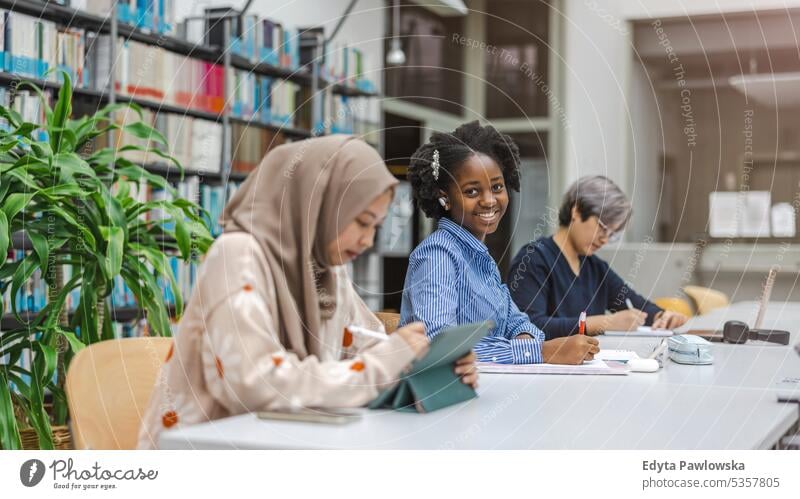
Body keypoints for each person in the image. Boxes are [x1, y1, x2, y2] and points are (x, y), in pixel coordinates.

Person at [137, 136, 478, 449]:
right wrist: (387, 361)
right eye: (360, 222)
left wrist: (429, 368)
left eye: (375, 226)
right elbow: (259, 384)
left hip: (281, 448)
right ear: (319, 203)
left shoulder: (327, 270)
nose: (368, 241)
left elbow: (370, 351)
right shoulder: (237, 255)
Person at [399, 121, 598, 365]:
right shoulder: (438, 255)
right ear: (445, 199)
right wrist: (542, 352)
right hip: (454, 400)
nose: (489, 200)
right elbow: (437, 347)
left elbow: (515, 320)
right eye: (472, 191)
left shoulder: (480, 257)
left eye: (497, 187)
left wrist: (525, 337)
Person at [507, 175, 688, 339]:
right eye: (602, 227)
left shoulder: (595, 268)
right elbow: (529, 326)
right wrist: (605, 322)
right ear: (576, 211)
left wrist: (661, 316)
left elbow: (632, 302)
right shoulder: (533, 259)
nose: (605, 239)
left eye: (612, 234)